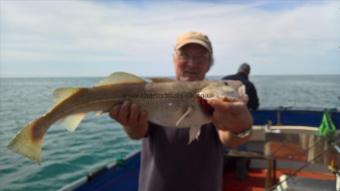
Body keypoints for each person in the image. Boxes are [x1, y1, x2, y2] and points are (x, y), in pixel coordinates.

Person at [109, 32, 253, 191]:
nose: (192, 63)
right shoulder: (152, 92)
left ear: (208, 64)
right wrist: (129, 123)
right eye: (184, 55)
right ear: (174, 59)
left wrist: (240, 128)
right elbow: (137, 133)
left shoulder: (215, 97)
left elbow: (230, 140)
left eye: (201, 57)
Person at [222, 63, 259, 180]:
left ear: (238, 70)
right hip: (240, 122)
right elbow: (255, 105)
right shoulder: (249, 85)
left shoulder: (224, 79)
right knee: (242, 150)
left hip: (223, 121)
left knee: (223, 149)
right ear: (248, 73)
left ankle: (219, 174)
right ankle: (241, 175)